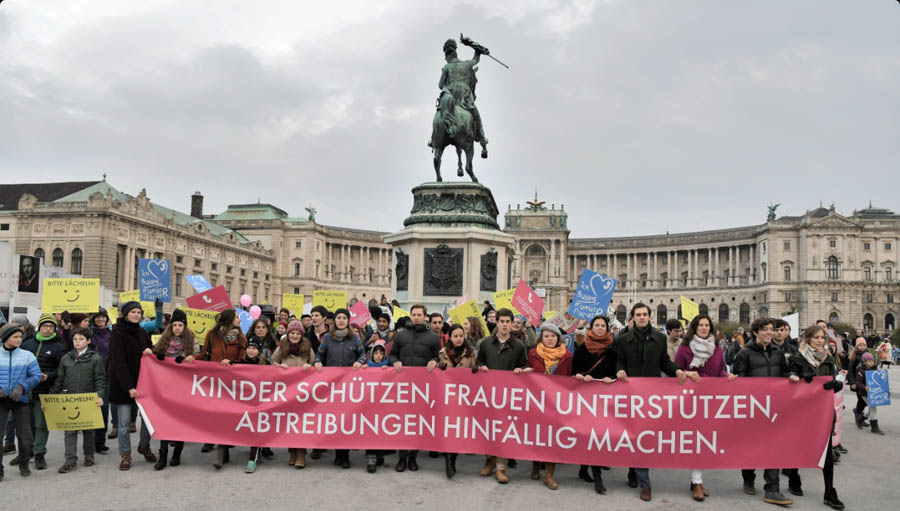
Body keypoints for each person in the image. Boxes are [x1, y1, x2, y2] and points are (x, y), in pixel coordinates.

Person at [615, 303, 696, 501]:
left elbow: (664, 363)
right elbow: (618, 361)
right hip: (630, 392)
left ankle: (645, 484)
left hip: (651, 395)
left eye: (644, 314)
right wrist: (619, 369)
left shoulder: (659, 338)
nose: (641, 317)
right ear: (632, 318)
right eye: (638, 315)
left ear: (649, 317)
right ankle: (634, 470)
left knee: (644, 435)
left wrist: (677, 370)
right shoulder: (623, 339)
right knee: (632, 434)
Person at [674, 314, 736, 501]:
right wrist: (687, 373)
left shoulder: (716, 349)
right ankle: (697, 482)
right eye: (700, 325)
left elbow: (720, 371)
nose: (703, 328)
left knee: (706, 441)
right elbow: (675, 372)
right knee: (696, 442)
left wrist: (728, 377)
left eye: (707, 325)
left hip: (711, 401)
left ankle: (696, 480)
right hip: (691, 403)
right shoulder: (684, 349)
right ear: (694, 327)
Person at [732, 317, 792, 506]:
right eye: (765, 329)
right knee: (750, 445)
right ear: (756, 332)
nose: (769, 332)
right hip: (752, 408)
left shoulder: (778, 353)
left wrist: (792, 377)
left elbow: (784, 373)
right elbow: (739, 382)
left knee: (773, 447)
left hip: (772, 408)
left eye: (771, 329)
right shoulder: (744, 354)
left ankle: (772, 488)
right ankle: (748, 478)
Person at [787, 325, 845, 510]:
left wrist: (835, 384)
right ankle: (794, 476)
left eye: (822, 337)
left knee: (826, 452)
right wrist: (799, 377)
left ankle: (829, 492)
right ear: (808, 339)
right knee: (798, 446)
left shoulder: (828, 358)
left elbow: (832, 382)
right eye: (817, 337)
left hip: (823, 411)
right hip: (802, 411)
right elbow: (789, 378)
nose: (820, 341)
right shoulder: (798, 358)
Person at [475, 308, 530, 484]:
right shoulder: (485, 343)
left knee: (504, 431)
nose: (505, 325)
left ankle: (501, 468)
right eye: (502, 321)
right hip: (489, 394)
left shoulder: (519, 346)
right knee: (489, 429)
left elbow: (525, 365)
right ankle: (488, 460)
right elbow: (478, 363)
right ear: (497, 322)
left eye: (508, 322)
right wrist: (481, 367)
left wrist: (522, 370)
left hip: (508, 396)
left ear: (512, 324)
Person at [389, 304, 440, 472]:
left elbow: (437, 356)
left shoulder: (432, 337)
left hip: (422, 387)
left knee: (417, 423)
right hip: (403, 386)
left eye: (419, 314)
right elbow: (392, 353)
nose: (416, 317)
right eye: (414, 314)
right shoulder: (401, 336)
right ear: (410, 316)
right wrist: (395, 361)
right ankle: (402, 458)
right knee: (403, 423)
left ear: (425, 317)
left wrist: (435, 361)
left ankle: (413, 458)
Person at [314, 309, 366, 469]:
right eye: (339, 318)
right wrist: (317, 362)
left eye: (344, 318)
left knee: (347, 420)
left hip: (349, 385)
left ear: (348, 320)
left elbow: (363, 355)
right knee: (335, 419)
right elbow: (319, 355)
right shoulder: (327, 338)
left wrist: (360, 361)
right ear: (334, 320)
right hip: (332, 385)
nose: (341, 320)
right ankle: (338, 453)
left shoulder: (355, 338)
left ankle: (345, 456)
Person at [49, 327, 106, 473]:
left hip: (88, 399)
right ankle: (70, 460)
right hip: (70, 399)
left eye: (81, 339)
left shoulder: (95, 359)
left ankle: (89, 455)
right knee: (70, 431)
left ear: (88, 341)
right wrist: (51, 398)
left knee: (89, 430)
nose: (78, 342)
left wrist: (100, 396)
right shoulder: (66, 358)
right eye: (75, 339)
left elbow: (100, 379)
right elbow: (60, 379)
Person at [108, 302, 157, 470]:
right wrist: (129, 387)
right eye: (133, 312)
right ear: (126, 314)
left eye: (139, 312)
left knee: (147, 421)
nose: (136, 315)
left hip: (143, 383)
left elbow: (149, 352)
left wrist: (150, 352)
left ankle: (144, 446)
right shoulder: (117, 334)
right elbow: (118, 363)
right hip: (123, 386)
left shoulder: (142, 332)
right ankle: (125, 454)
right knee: (123, 424)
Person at [571, 315, 617, 494]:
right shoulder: (583, 348)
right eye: (596, 325)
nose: (599, 328)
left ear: (607, 328)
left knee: (598, 436)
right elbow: (574, 371)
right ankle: (596, 477)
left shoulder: (613, 349)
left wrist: (611, 378)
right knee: (590, 436)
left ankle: (585, 470)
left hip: (606, 400)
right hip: (586, 399)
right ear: (591, 327)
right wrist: (583, 375)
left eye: (602, 325)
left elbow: (617, 369)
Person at [14, 313, 66, 470]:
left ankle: (39, 454)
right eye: (45, 326)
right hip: (25, 391)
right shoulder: (27, 343)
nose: (48, 329)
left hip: (44, 391)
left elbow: (62, 370)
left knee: (41, 424)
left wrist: (48, 376)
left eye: (51, 326)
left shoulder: (59, 346)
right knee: (25, 425)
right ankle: (25, 452)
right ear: (39, 327)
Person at [199, 309, 247, 467]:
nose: (240, 320)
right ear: (228, 320)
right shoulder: (212, 335)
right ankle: (222, 449)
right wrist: (192, 357)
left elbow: (243, 360)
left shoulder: (241, 337)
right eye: (237, 317)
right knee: (217, 414)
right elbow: (205, 353)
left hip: (232, 382)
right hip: (215, 381)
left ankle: (221, 449)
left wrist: (232, 364)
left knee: (228, 415)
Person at [150, 309, 196, 470]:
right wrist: (156, 355)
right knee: (165, 420)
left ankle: (177, 452)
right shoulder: (164, 340)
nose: (177, 327)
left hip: (183, 387)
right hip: (166, 386)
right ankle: (162, 455)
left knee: (179, 420)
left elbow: (198, 358)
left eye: (180, 325)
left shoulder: (191, 341)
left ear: (185, 326)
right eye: (174, 325)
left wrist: (187, 358)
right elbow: (153, 354)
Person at [527, 322, 571, 490]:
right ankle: (536, 466)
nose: (550, 339)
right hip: (537, 401)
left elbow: (568, 378)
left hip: (556, 403)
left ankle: (549, 475)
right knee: (537, 435)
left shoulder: (566, 355)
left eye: (553, 336)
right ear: (541, 337)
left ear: (558, 338)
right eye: (547, 336)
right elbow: (528, 372)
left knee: (553, 438)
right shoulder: (533, 353)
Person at [0, 324, 41, 480]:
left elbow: (35, 376)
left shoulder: (27, 355)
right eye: (15, 337)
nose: (19, 339)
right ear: (5, 338)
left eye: (20, 336)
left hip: (21, 400)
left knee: (23, 436)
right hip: (1, 400)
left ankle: (23, 464)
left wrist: (22, 387)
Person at [272, 320, 315, 470]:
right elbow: (273, 363)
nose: (295, 336)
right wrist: (280, 366)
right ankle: (292, 451)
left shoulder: (307, 347)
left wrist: (309, 366)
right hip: (287, 390)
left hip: (303, 391)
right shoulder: (282, 347)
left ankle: (301, 452)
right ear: (288, 334)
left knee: (302, 423)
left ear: (301, 335)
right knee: (290, 422)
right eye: (292, 333)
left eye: (298, 333)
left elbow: (315, 364)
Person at [239, 338, 268, 473]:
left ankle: (253, 458)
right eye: (249, 347)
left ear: (259, 351)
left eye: (254, 348)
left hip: (260, 403)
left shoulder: (266, 365)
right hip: (243, 402)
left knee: (256, 429)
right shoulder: (240, 363)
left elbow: (277, 375)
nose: (251, 350)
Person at [856, 353, 883, 435]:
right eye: (869, 361)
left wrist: (884, 388)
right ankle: (874, 427)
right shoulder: (861, 371)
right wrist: (864, 387)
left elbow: (879, 381)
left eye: (872, 361)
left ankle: (860, 419)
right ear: (864, 362)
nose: (871, 362)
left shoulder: (875, 370)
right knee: (873, 408)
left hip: (873, 392)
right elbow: (858, 382)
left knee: (871, 408)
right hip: (864, 393)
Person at [847, 337, 871, 428]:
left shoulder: (868, 354)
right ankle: (858, 416)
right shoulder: (853, 356)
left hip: (867, 382)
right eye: (860, 345)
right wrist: (852, 382)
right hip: (858, 381)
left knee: (864, 401)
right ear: (856, 346)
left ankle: (858, 412)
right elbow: (850, 370)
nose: (862, 346)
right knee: (862, 399)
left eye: (864, 344)